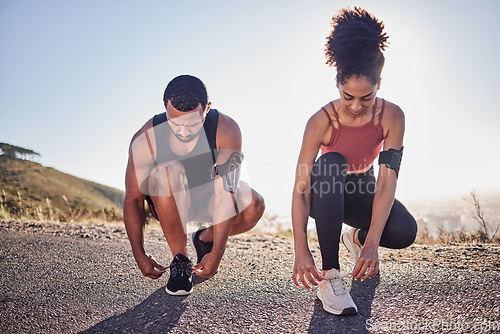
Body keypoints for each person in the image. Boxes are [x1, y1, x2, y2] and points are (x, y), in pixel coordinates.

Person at [291, 7, 417, 315]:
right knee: (332, 162)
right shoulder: (321, 121)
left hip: (363, 190)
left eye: (367, 97)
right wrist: (300, 250)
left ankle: (356, 237)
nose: (357, 106)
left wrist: (372, 242)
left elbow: (388, 180)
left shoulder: (392, 116)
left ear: (379, 84)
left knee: (404, 231)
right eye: (348, 97)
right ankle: (330, 277)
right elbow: (301, 187)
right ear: (337, 84)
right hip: (326, 194)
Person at [124, 75, 265, 296]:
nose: (183, 131)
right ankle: (180, 262)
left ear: (207, 109)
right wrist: (139, 253)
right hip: (168, 201)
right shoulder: (145, 139)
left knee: (254, 204)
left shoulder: (226, 130)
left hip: (207, 198)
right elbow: (133, 199)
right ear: (165, 108)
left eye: (192, 123)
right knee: (168, 173)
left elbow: (226, 190)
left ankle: (204, 239)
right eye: (176, 123)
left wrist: (217, 251)